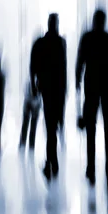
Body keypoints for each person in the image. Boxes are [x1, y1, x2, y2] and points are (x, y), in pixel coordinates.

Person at [76, 9, 108, 192]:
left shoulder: (87, 38)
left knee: (91, 129)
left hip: (91, 89)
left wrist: (77, 82)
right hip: (107, 89)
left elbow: (80, 61)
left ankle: (91, 167)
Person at [31, 14, 67, 180]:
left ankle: (51, 160)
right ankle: (52, 160)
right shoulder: (60, 43)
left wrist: (34, 84)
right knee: (54, 125)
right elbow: (63, 67)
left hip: (47, 89)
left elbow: (33, 66)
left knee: (50, 125)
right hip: (58, 89)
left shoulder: (40, 43)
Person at [19, 79, 41, 151]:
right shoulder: (33, 81)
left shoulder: (29, 81)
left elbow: (25, 92)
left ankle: (24, 143)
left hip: (30, 102)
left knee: (27, 124)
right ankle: (30, 144)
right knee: (31, 125)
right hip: (32, 102)